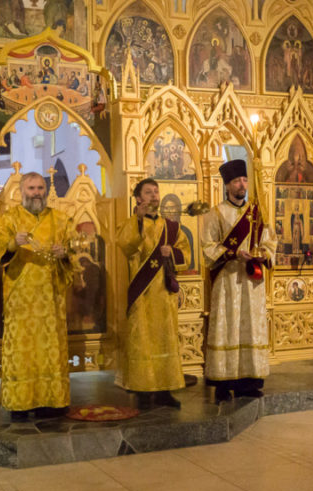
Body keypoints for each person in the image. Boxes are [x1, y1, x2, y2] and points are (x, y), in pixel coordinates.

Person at [0, 172, 75, 421]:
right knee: (22, 350)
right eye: (31, 188)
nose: (37, 193)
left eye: (40, 188)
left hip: (51, 297)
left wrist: (64, 253)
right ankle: (20, 403)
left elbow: (73, 250)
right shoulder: (9, 218)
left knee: (49, 348)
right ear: (21, 191)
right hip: (21, 296)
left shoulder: (60, 219)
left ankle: (51, 401)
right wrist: (12, 244)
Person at [202, 160, 276, 402]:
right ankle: (223, 383)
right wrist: (233, 253)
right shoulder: (216, 213)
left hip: (251, 282)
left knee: (251, 328)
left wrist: (263, 254)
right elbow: (207, 246)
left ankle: (249, 382)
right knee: (228, 328)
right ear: (227, 185)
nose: (242, 185)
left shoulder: (258, 213)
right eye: (236, 181)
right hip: (227, 281)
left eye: (244, 180)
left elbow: (270, 241)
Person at [117, 179, 190, 409]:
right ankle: (142, 390)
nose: (154, 196)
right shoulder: (130, 223)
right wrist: (138, 220)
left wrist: (173, 253)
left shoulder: (171, 227)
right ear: (138, 198)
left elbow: (186, 255)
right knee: (142, 341)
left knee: (165, 341)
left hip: (164, 296)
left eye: (156, 192)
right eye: (148, 192)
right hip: (142, 295)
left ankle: (164, 391)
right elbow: (126, 245)